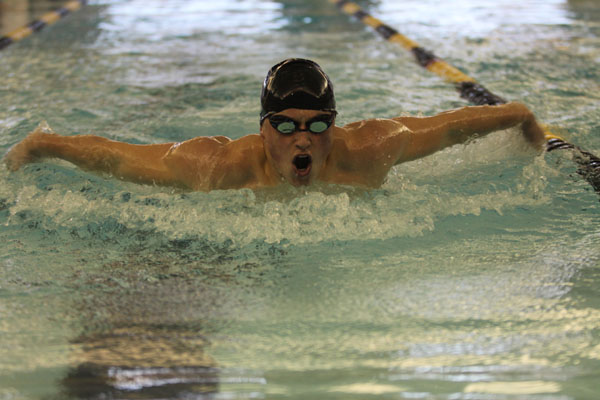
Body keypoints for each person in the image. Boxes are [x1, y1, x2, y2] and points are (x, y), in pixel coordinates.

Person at [3, 58, 545, 191]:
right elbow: (119, 155)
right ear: (262, 129)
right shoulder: (219, 166)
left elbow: (452, 126)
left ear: (336, 124)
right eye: (285, 126)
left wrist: (520, 116)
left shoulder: (373, 149)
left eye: (316, 125)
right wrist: (46, 145)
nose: (303, 138)